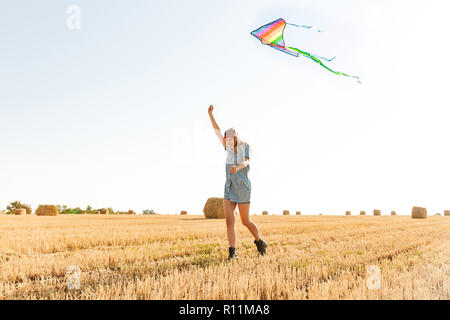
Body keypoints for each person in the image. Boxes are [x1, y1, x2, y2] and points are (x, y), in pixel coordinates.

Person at [208, 105, 267, 260]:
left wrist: (237, 167)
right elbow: (217, 131)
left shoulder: (244, 146)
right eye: (226, 139)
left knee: (245, 221)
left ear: (236, 136)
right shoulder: (227, 148)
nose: (228, 141)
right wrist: (210, 115)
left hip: (242, 188)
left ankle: (260, 241)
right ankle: (232, 252)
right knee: (229, 220)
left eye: (230, 138)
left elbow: (246, 163)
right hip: (229, 187)